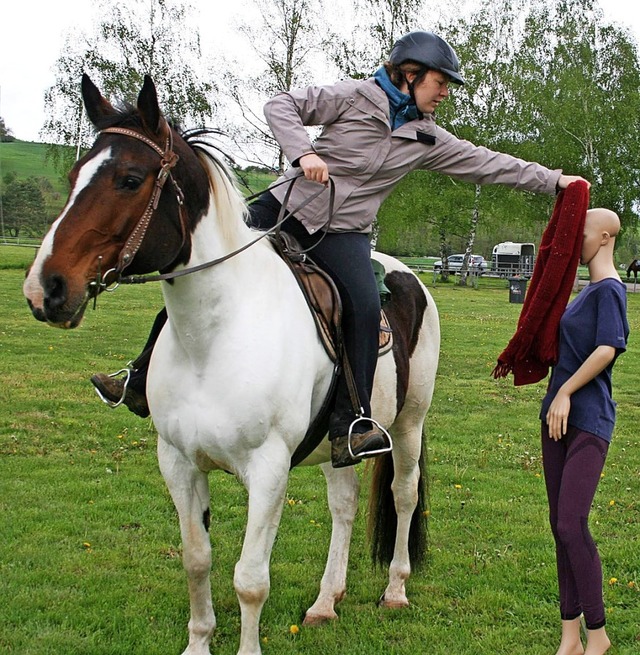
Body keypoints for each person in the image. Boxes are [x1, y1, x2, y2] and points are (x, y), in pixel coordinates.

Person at [92, 30, 588, 468]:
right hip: (284, 209)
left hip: (345, 234)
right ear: (409, 75)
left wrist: (556, 181)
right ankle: (139, 375)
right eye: (440, 83)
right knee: (201, 274)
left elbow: (489, 163)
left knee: (366, 303)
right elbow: (280, 106)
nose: (444, 94)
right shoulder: (352, 97)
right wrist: (303, 151)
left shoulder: (426, 138)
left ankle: (352, 423)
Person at [540, 208, 629, 655]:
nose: (576, 242)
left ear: (606, 236)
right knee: (560, 528)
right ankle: (570, 638)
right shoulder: (583, 292)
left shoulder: (610, 290)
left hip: (589, 419)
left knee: (573, 524)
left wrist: (566, 392)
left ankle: (599, 635)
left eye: (583, 234)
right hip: (556, 420)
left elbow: (609, 347)